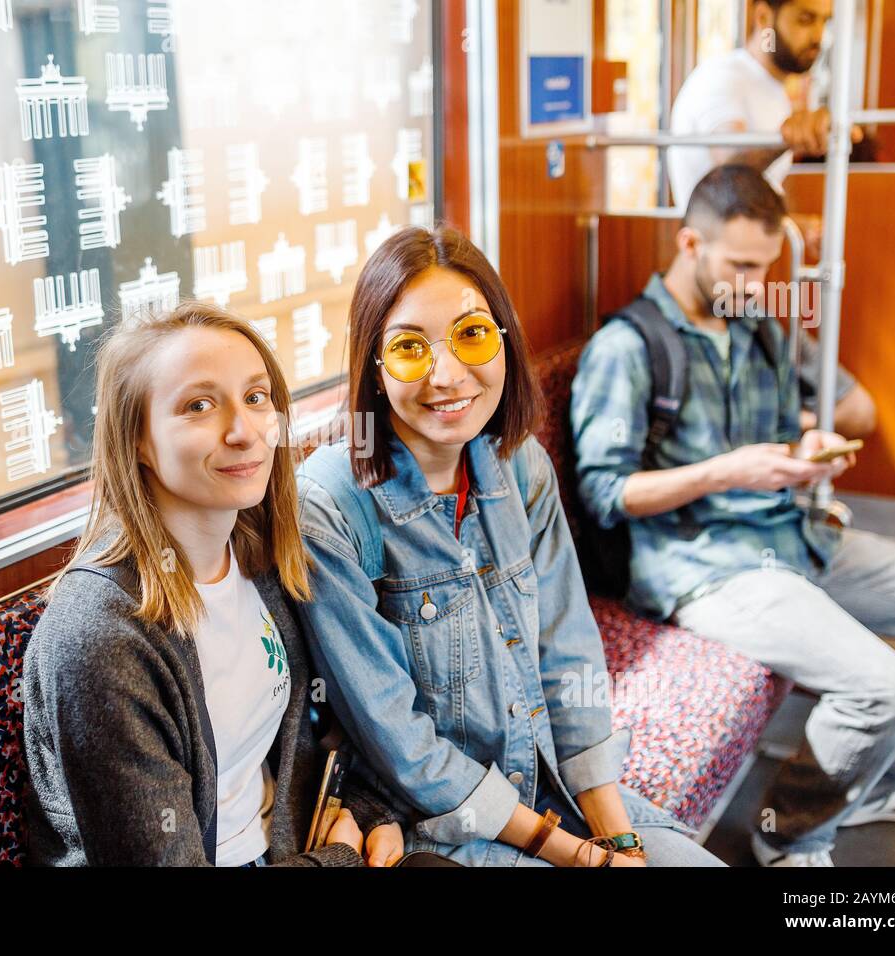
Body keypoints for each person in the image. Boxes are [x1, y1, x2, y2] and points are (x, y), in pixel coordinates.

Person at [571, 164, 895, 867]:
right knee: (884, 686)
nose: (756, 284)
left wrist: (806, 448)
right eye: (742, 265)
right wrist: (732, 470)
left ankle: (873, 783)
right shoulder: (627, 348)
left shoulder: (759, 330)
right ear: (690, 245)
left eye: (766, 267)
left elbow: (791, 429)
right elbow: (608, 492)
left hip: (791, 535)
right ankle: (790, 830)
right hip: (704, 565)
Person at [293, 224, 723, 867]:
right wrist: (575, 855)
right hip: (436, 827)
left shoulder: (520, 468)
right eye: (411, 348)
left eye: (471, 335)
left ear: (503, 340)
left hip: (549, 782)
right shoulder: (331, 506)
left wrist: (617, 836)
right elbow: (399, 742)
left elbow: (567, 653)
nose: (448, 376)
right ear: (375, 370)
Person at [21, 302, 406, 866]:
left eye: (255, 398)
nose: (244, 431)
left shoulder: (258, 554)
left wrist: (369, 815)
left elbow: (314, 736)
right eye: (199, 406)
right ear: (138, 443)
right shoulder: (101, 639)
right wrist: (338, 861)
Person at [667, 0, 862, 211]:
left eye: (825, 22)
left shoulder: (773, 89)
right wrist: (785, 138)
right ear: (763, 17)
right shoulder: (723, 77)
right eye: (805, 20)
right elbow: (729, 170)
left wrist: (794, 226)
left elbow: (753, 198)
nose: (818, 36)